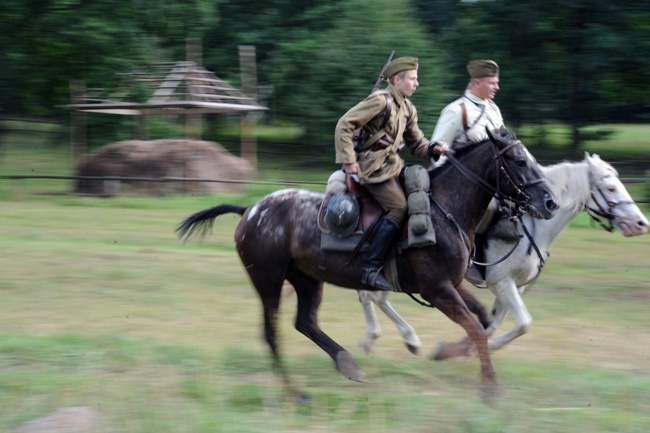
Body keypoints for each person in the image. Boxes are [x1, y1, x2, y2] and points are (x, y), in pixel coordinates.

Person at [335, 56, 448, 291]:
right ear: (397, 80)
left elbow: (417, 145)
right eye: (413, 79)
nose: (417, 84)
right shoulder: (380, 101)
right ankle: (370, 268)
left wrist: (434, 149)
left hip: (393, 165)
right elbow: (344, 124)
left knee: (422, 195)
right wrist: (348, 161)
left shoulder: (407, 108)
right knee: (399, 208)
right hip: (372, 167)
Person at [431, 59, 505, 234]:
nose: (497, 87)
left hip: (491, 181)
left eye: (497, 83)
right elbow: (436, 149)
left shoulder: (494, 110)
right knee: (488, 209)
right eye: (492, 83)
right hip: (461, 186)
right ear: (478, 83)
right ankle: (474, 254)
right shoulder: (456, 110)